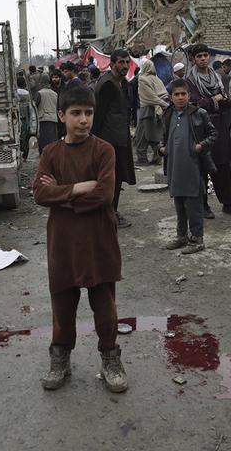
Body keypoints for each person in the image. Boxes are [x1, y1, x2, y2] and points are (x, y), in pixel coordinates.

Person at [32, 85, 127, 393]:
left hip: (99, 241)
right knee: (62, 306)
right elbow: (39, 193)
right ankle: (60, 359)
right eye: (76, 113)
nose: (83, 120)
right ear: (61, 116)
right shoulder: (51, 153)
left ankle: (110, 358)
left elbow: (104, 195)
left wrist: (62, 194)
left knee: (104, 306)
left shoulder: (104, 150)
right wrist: (76, 188)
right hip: (63, 244)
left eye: (88, 113)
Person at [185, 43, 231, 218]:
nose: (203, 58)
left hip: (219, 127)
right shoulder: (190, 81)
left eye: (205, 55)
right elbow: (194, 104)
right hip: (199, 128)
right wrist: (215, 100)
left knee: (223, 166)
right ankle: (203, 205)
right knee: (201, 167)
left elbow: (226, 101)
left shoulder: (217, 78)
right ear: (193, 59)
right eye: (199, 56)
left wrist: (211, 101)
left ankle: (227, 203)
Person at [160, 78, 217, 255]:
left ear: (189, 95)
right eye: (176, 94)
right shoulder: (168, 114)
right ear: (171, 97)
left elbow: (213, 134)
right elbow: (163, 135)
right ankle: (182, 236)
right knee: (179, 203)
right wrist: (162, 147)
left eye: (183, 94)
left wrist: (201, 145)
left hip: (193, 167)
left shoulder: (198, 113)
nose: (180, 97)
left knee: (194, 205)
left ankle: (197, 239)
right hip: (174, 167)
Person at [92, 48, 137, 228]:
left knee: (118, 177)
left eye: (127, 62)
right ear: (112, 64)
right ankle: (109, 214)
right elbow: (99, 116)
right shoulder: (108, 84)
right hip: (108, 141)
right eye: (121, 62)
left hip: (120, 139)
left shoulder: (122, 83)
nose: (125, 66)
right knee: (110, 178)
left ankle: (111, 211)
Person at [134, 60, 169, 165]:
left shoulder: (142, 79)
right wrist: (163, 104)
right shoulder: (157, 79)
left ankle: (143, 159)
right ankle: (156, 157)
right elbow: (163, 94)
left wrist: (161, 103)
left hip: (147, 110)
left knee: (141, 136)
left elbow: (149, 96)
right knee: (151, 135)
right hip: (157, 110)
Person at [35, 74, 59, 154]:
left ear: (41, 83)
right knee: (52, 141)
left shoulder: (39, 93)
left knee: (44, 142)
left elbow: (35, 106)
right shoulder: (55, 94)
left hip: (43, 120)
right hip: (54, 119)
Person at [16, 76, 38, 161]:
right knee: (26, 136)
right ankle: (25, 155)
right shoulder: (27, 93)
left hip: (17, 117)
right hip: (26, 117)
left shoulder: (15, 93)